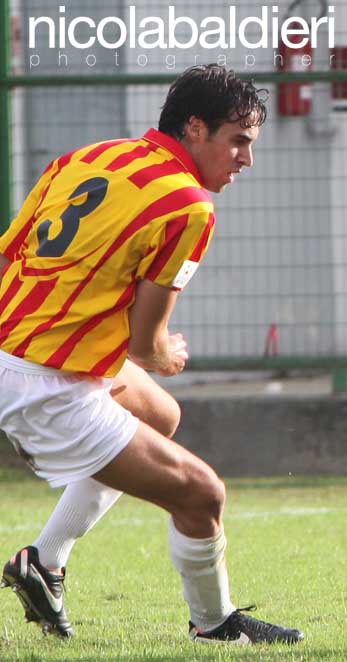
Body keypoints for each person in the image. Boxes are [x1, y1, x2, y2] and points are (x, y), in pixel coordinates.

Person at [0, 64, 303, 645]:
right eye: (237, 140)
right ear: (194, 128)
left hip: (18, 348)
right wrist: (165, 356)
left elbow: (11, 255)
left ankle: (45, 561)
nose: (246, 159)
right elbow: (147, 344)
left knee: (160, 417)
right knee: (202, 495)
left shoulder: (84, 159)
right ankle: (215, 627)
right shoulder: (188, 206)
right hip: (42, 378)